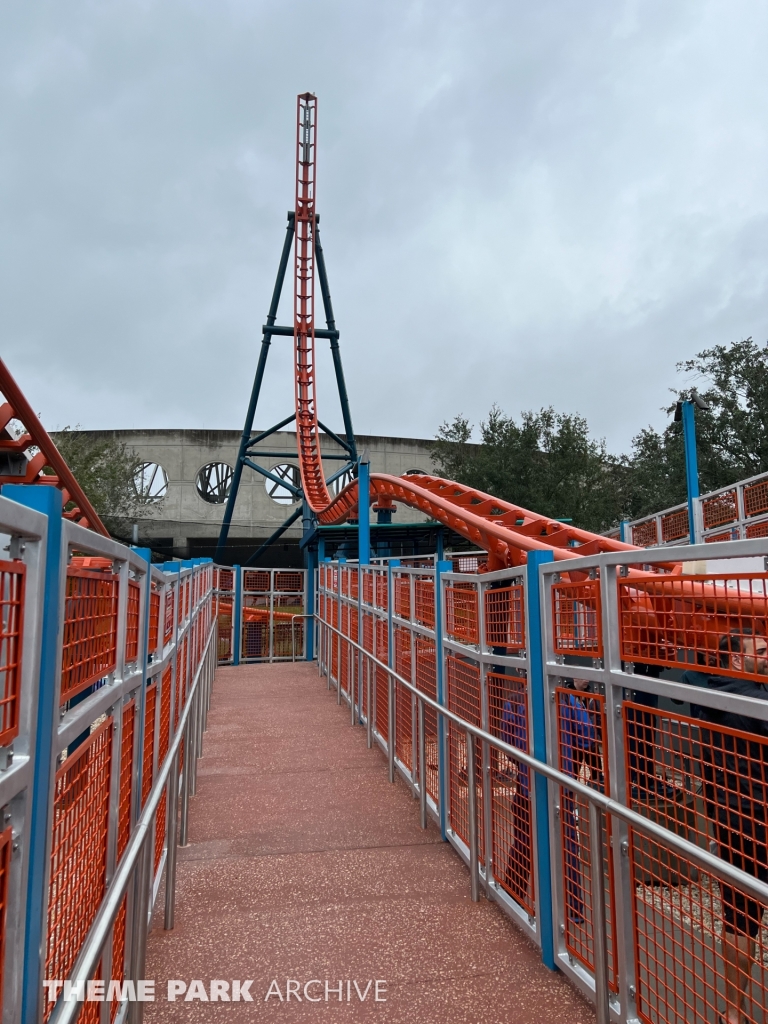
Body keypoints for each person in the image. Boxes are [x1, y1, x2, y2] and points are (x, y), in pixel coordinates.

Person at [697, 628, 768, 1024]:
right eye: (762, 650)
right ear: (738, 659)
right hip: (757, 819)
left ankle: (734, 1012)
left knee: (739, 917)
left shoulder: (711, 692)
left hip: (728, 819)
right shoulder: (753, 702)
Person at [558, 678, 599, 925]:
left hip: (528, 782)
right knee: (567, 842)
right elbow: (587, 738)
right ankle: (573, 908)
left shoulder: (516, 700)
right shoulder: (569, 701)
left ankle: (515, 894)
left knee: (525, 836)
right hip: (563, 780)